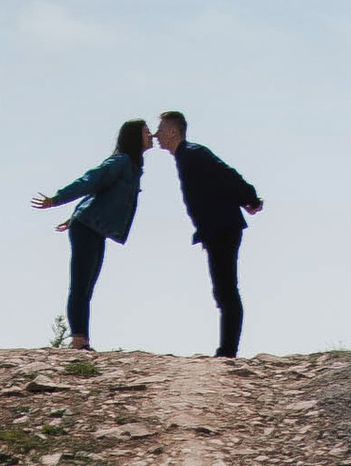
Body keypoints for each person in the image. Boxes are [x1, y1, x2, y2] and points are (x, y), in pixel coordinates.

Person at [33, 121, 150, 350]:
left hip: (94, 227)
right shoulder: (121, 161)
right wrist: (56, 199)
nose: (152, 135)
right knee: (80, 284)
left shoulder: (134, 166)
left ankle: (82, 339)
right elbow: (90, 181)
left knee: (87, 285)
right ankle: (78, 340)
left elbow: (101, 194)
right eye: (146, 132)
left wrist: (75, 214)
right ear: (135, 137)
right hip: (87, 227)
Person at [158, 111, 263, 359]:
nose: (156, 135)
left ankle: (227, 351)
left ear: (173, 131)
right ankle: (226, 349)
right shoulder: (185, 156)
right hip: (215, 228)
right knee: (222, 289)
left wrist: (250, 198)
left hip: (223, 227)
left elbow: (226, 175)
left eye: (160, 129)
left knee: (226, 289)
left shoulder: (194, 153)